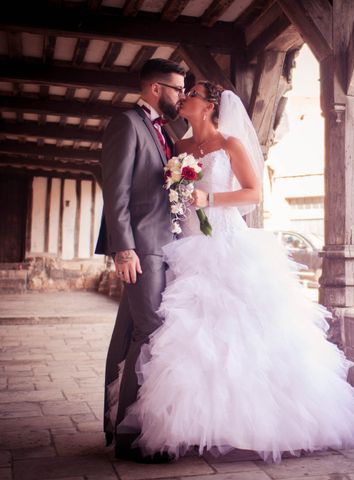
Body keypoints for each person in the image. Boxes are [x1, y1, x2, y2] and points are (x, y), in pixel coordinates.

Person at [118, 81, 354, 462]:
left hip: (224, 242)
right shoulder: (179, 148)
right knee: (188, 337)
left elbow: (253, 194)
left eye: (194, 94)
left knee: (239, 335)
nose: (184, 97)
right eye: (184, 92)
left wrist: (210, 198)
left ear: (209, 107)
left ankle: (257, 423)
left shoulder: (230, 144)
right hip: (183, 247)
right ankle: (192, 424)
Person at [96, 58, 186, 462]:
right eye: (177, 89)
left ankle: (122, 426)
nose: (181, 96)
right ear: (155, 88)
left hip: (167, 247)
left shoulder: (165, 131)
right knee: (150, 333)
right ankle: (135, 437)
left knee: (132, 335)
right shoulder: (126, 124)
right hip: (142, 249)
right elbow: (115, 191)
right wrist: (123, 248)